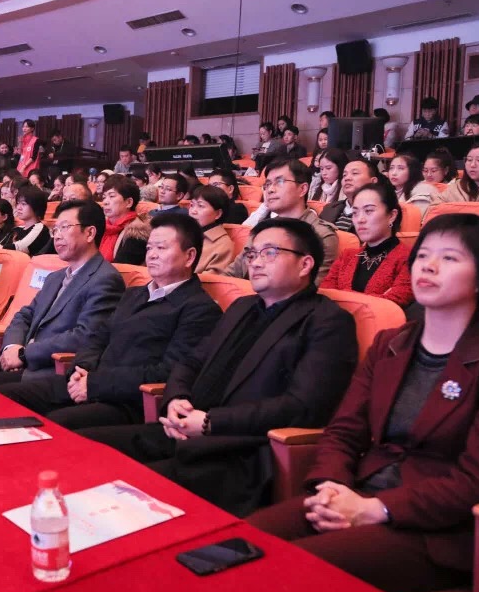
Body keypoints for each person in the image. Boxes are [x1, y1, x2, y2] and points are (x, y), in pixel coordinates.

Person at [248, 214, 479, 592]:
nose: (428, 266)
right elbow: (344, 431)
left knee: (283, 573)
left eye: (449, 258)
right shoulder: (391, 343)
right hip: (357, 494)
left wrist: (375, 509)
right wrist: (332, 487)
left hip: (436, 529)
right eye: (423, 255)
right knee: (240, 542)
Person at [80, 217, 358, 514]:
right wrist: (176, 399)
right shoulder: (242, 307)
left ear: (305, 264)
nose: (256, 262)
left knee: (128, 489)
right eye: (251, 253)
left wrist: (211, 422)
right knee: (86, 448)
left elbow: (303, 407)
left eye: (270, 253)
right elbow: (191, 361)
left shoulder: (327, 321)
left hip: (240, 450)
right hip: (185, 430)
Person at [0, 215, 222, 429]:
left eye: (161, 248)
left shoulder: (199, 309)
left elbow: (168, 373)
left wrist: (94, 384)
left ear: (189, 256)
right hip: (88, 382)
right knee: (4, 396)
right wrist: (82, 369)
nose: (151, 255)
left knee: (55, 424)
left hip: (127, 400)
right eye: (149, 248)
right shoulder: (134, 294)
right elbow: (97, 338)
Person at [0, 200, 125, 386]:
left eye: (65, 227)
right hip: (17, 361)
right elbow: (24, 315)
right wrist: (12, 347)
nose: (57, 236)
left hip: (48, 372)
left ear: (89, 233)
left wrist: (24, 355)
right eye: (55, 229)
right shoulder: (55, 277)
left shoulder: (105, 280)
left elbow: (84, 337)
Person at [235, 158, 339, 283]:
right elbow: (232, 272)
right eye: (267, 184)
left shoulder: (321, 235)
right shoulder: (262, 229)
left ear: (302, 189)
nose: (270, 190)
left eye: (279, 182)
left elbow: (312, 288)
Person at [320, 182, 414, 307]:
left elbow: (391, 304)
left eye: (369, 211)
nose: (360, 220)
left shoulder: (408, 259)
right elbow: (325, 296)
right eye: (355, 213)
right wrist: (371, 299)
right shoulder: (346, 256)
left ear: (392, 215)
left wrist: (342, 296)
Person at [319, 159, 381, 233]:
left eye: (355, 173)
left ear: (373, 181)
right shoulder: (329, 208)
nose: (347, 178)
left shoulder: (379, 211)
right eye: (344, 175)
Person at [99, 176, 149, 264]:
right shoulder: (102, 227)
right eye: (104, 197)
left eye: (111, 196)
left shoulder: (137, 234)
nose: (105, 202)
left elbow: (120, 269)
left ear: (129, 202)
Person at [188, 184, 235, 276]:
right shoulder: (182, 232)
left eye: (200, 206)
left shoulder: (223, 245)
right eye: (192, 205)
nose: (193, 211)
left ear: (218, 214)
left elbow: (210, 281)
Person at [11, 186, 52, 256]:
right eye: (18, 203)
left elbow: (20, 247)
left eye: (23, 204)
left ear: (36, 206)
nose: (18, 208)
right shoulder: (17, 229)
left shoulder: (40, 229)